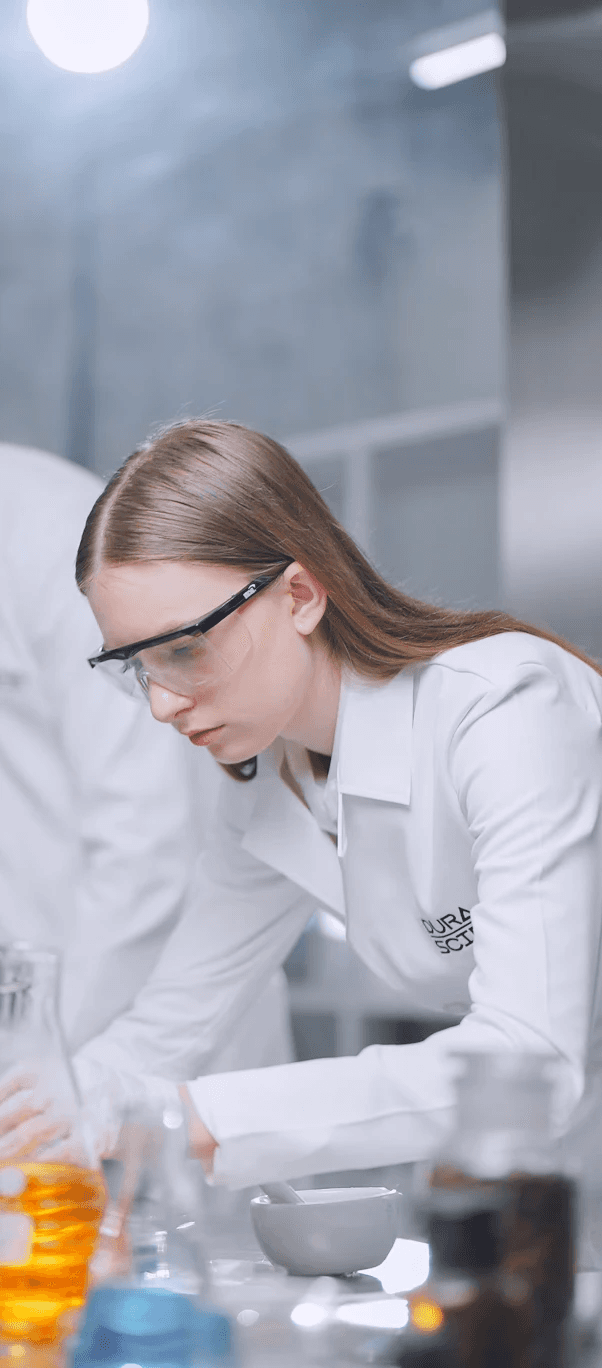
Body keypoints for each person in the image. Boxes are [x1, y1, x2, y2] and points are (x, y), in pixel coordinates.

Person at [5, 419, 602, 1199]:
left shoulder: (506, 711)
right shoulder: (268, 785)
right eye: (135, 667)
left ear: (300, 594)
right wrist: (48, 1107)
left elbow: (527, 1062)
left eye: (184, 648)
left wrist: (196, 1117)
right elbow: (167, 1028)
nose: (160, 704)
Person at [0, 442, 292, 1068]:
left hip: (151, 1021)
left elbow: (147, 843)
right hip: (56, 1027)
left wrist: (40, 1071)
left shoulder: (54, 536)